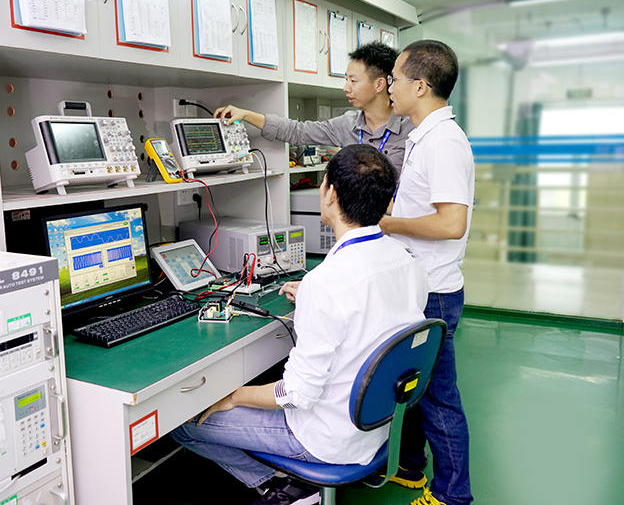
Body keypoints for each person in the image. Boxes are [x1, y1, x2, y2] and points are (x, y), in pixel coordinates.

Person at [171, 145, 428, 505]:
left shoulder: (328, 283)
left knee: (183, 423)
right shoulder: (408, 261)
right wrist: (312, 296)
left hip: (325, 440)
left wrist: (234, 396)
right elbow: (373, 312)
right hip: (376, 427)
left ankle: (285, 488)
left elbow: (295, 395)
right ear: (387, 202)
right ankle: (288, 485)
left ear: (330, 194)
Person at [379, 40, 475, 505]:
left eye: (395, 78)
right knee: (415, 387)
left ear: (420, 85)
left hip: (434, 292)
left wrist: (387, 223)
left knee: (439, 398)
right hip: (419, 285)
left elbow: (451, 223)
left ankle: (453, 496)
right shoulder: (422, 136)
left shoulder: (444, 143)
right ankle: (411, 468)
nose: (389, 87)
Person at [214, 42, 412, 175]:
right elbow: (297, 131)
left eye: (353, 81)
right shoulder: (347, 124)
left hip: (399, 223)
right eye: (346, 80)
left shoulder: (411, 128)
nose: (346, 88)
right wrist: (246, 115)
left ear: (379, 85)